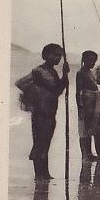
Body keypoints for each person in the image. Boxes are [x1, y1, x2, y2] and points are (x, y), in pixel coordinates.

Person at [27, 43, 69, 179]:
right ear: (46, 55)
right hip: (41, 113)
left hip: (51, 113)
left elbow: (59, 90)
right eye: (55, 55)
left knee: (45, 143)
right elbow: (55, 88)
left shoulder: (53, 71)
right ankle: (39, 174)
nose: (58, 58)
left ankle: (44, 173)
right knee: (40, 143)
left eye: (60, 56)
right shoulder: (39, 71)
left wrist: (65, 75)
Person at [76, 50, 100, 158]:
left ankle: (95, 153)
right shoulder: (81, 73)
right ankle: (86, 154)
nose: (92, 64)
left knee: (96, 127)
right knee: (86, 128)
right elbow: (78, 91)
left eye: (94, 61)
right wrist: (80, 107)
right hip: (87, 102)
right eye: (90, 61)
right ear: (84, 61)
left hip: (95, 102)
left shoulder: (90, 72)